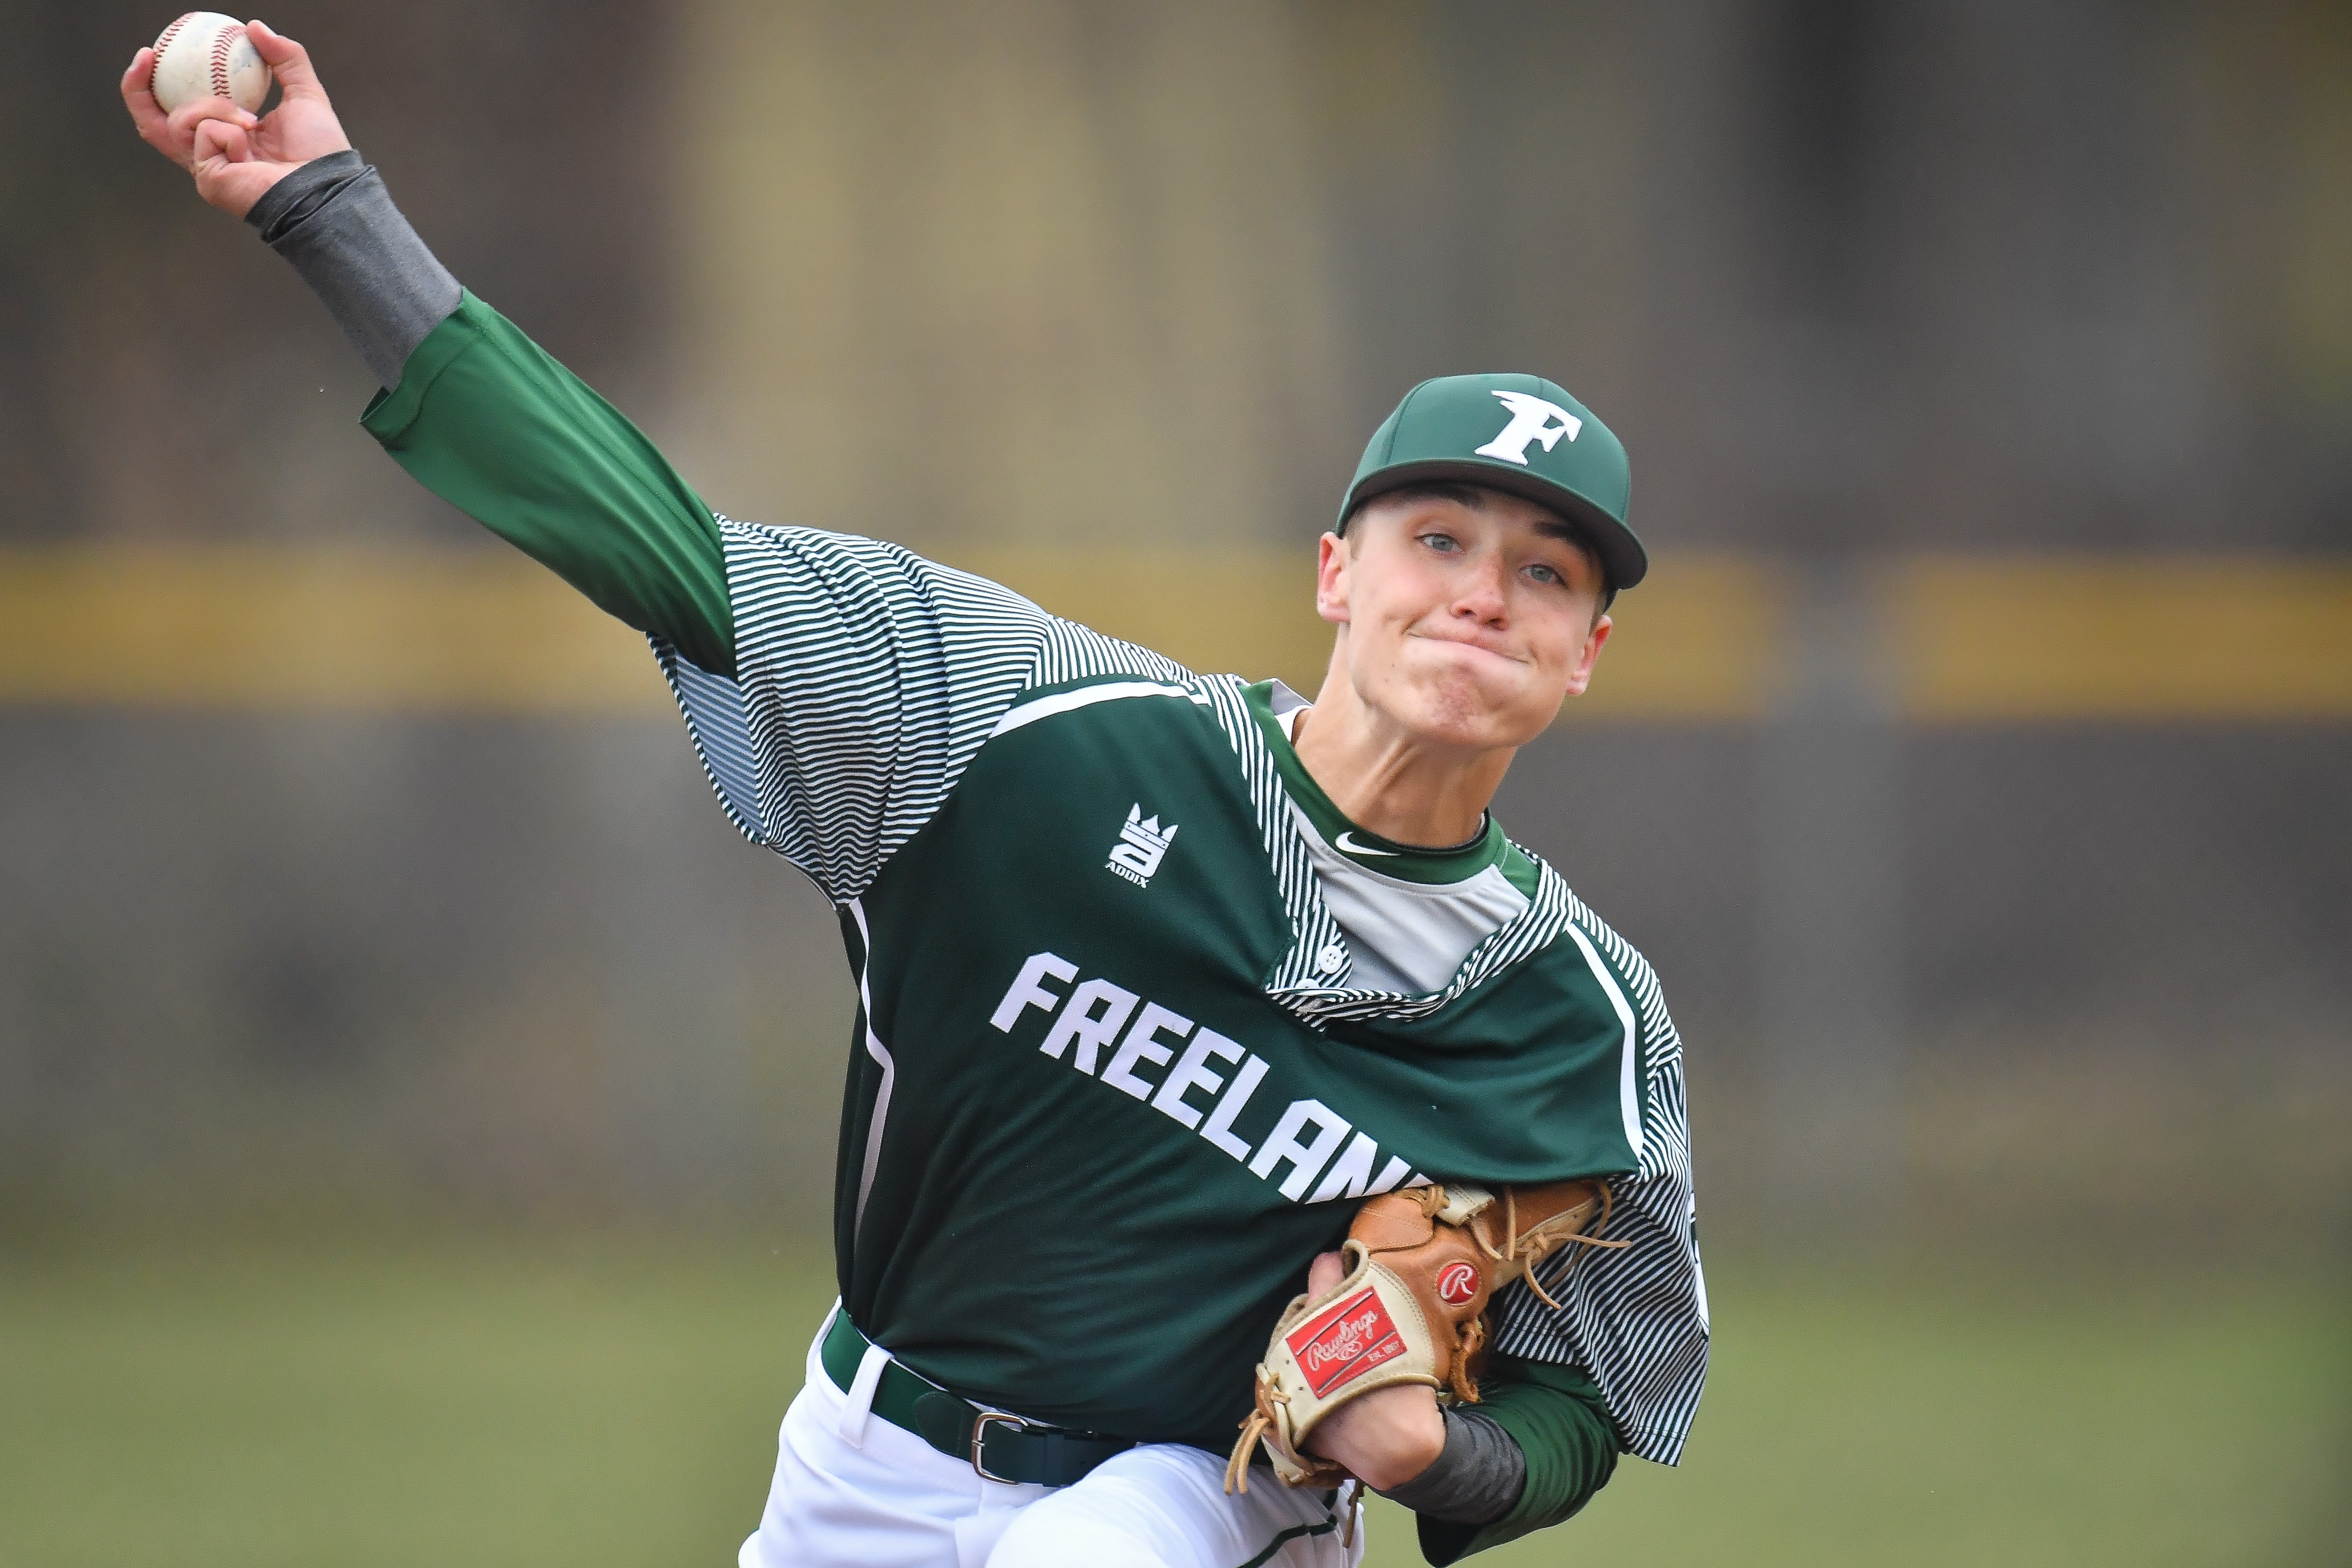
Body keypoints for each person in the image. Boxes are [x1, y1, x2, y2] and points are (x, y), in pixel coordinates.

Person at [124, 24, 1707, 1568]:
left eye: (1545, 573)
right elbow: (659, 545)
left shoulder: (1581, 1022)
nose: (1486, 595)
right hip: (862, 1452)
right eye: (1439, 539)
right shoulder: (1035, 730)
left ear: (1588, 650)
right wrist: (331, 211)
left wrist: (1453, 1459)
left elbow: (1594, 1394)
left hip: (1203, 1500)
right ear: (1334, 573)